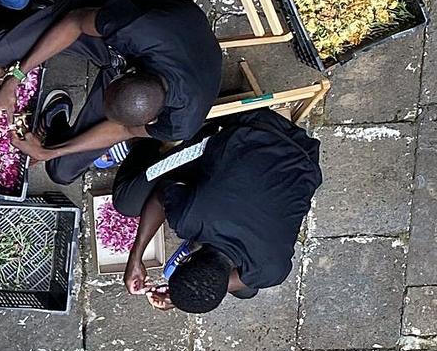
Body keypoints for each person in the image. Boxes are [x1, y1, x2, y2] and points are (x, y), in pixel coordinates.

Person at [0, 0, 224, 186]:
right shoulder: (138, 30)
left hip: (155, 54)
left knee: (62, 171)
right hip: (118, 15)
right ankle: (45, 9)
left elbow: (123, 129)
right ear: (127, 73)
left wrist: (50, 151)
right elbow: (76, 21)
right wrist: (15, 78)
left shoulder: (181, 123)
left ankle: (55, 115)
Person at [113, 109, 323, 314]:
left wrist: (182, 296)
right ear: (186, 260)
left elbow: (240, 282)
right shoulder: (190, 220)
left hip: (305, 157)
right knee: (127, 203)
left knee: (248, 290)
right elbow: (160, 195)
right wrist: (136, 254)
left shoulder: (272, 271)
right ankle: (143, 143)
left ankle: (146, 144)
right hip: (254, 124)